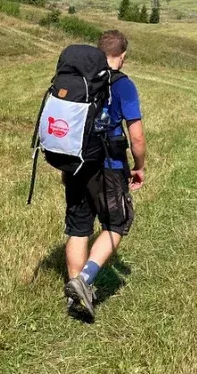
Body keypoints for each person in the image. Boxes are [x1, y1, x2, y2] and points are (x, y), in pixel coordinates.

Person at [62, 29, 146, 320]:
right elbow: (137, 138)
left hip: (74, 163)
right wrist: (139, 166)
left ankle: (75, 299)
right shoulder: (123, 85)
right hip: (108, 167)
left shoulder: (79, 80)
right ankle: (84, 280)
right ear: (121, 56)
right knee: (117, 222)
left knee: (78, 225)